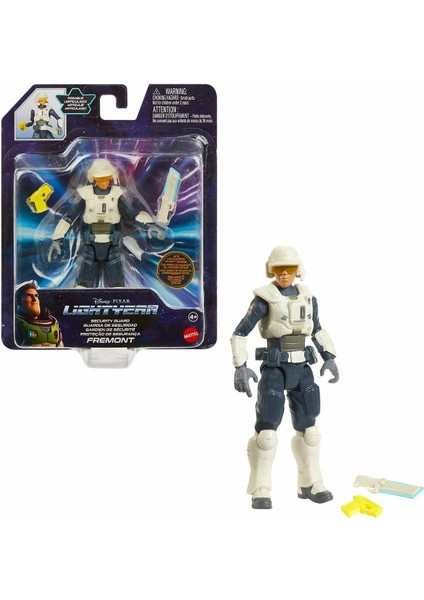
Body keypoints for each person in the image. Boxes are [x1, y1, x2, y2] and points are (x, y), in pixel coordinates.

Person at [231, 245, 339, 509]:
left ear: (297, 270)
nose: (284, 274)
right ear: (271, 269)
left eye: (289, 269)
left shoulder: (308, 297)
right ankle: (261, 488)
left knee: (310, 431)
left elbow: (318, 329)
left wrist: (329, 357)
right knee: (267, 432)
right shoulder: (263, 299)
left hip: (303, 368)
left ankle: (310, 483)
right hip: (275, 368)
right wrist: (240, 365)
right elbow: (240, 332)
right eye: (279, 269)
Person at [48, 158, 179, 288]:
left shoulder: (116, 194)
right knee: (84, 281)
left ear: (111, 177)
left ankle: (117, 294)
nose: (104, 182)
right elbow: (69, 217)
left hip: (112, 244)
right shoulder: (86, 195)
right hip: (90, 244)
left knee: (116, 281)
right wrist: (57, 239)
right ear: (93, 179)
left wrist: (149, 225)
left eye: (106, 178)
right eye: (100, 179)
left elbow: (132, 215)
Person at [15, 281, 63, 347]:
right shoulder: (14, 326)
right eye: (29, 296)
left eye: (36, 296)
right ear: (17, 301)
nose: (34, 299)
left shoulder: (53, 323)